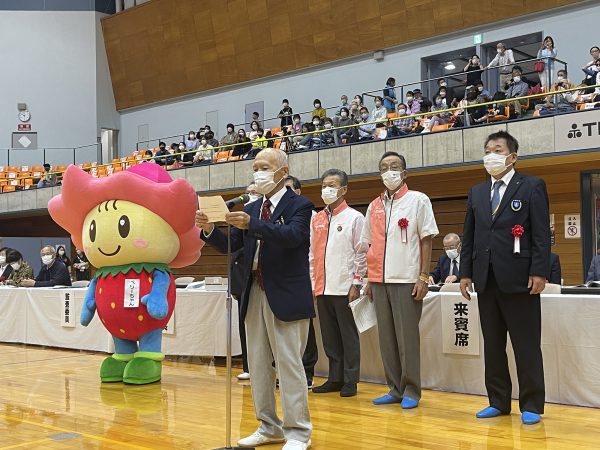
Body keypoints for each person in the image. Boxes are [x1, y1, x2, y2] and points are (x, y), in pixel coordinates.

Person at [196, 149, 314, 449]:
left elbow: (293, 236)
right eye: (255, 167)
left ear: (282, 170)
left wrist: (253, 225)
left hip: (285, 294)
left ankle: (298, 431)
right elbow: (232, 246)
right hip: (254, 291)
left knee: (289, 364)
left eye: (265, 167)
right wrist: (210, 230)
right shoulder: (253, 206)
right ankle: (268, 426)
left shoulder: (300, 204)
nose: (258, 172)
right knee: (258, 365)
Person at [460, 130, 550, 425]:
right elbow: (469, 236)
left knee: (525, 344)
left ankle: (532, 404)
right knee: (493, 345)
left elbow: (540, 234)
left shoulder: (532, 186)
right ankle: (498, 401)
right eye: (487, 150)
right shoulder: (476, 191)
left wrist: (539, 270)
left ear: (512, 156)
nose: (491, 155)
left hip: (520, 278)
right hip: (485, 279)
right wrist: (465, 273)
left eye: (497, 149)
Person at [362, 151, 438, 409]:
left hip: (407, 279)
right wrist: (368, 279)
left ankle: (411, 390)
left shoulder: (418, 200)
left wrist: (424, 276)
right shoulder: (374, 206)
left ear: (404, 173)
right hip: (378, 281)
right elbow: (368, 244)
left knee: (407, 339)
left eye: (395, 167)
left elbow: (427, 238)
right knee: (387, 339)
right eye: (384, 167)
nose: (389, 171)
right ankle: (394, 388)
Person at [310, 169, 366, 397]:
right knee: (330, 337)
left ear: (343, 189)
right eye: (324, 185)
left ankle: (350, 380)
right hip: (322, 287)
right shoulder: (317, 219)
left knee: (348, 335)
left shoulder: (355, 217)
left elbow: (361, 253)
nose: (327, 189)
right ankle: (335, 378)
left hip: (345, 287)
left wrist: (357, 283)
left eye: (332, 185)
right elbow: (312, 253)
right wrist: (313, 282)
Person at [284, 175, 318, 389]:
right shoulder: (275, 214)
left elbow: (315, 249)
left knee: (306, 329)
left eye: (288, 189)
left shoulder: (311, 215)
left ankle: (307, 372)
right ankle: (283, 371)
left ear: (298, 191)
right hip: (281, 278)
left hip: (305, 275)